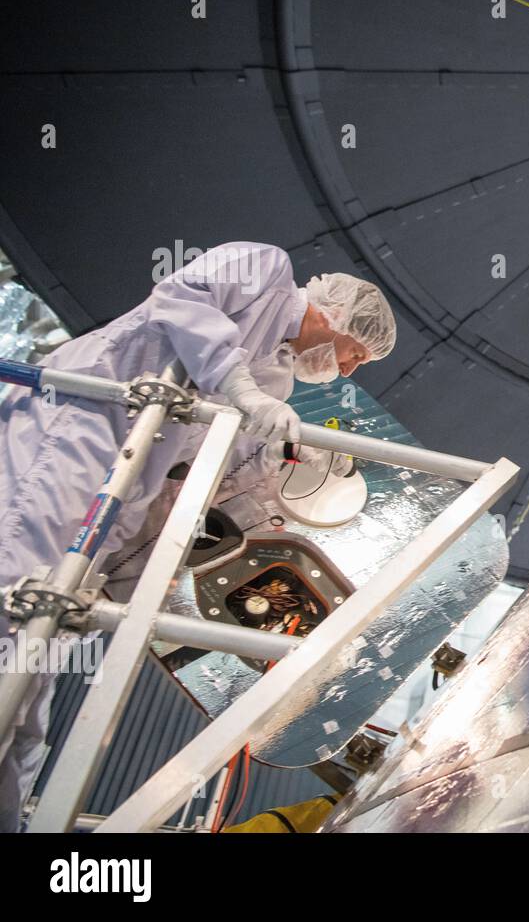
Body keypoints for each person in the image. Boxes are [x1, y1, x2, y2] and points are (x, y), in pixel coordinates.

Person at [0, 241, 396, 831]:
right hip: (76, 433)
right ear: (337, 314)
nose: (346, 372)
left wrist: (285, 463)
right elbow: (180, 299)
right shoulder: (265, 267)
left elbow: (210, 466)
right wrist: (240, 392)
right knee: (18, 607)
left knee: (37, 669)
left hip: (118, 498)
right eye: (355, 354)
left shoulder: (274, 381)